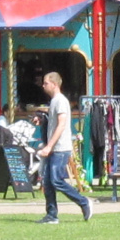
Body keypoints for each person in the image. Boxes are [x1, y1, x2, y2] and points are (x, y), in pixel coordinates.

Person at [36, 72, 92, 224]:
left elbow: (61, 125)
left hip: (60, 148)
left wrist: (49, 146)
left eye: (46, 83)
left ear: (54, 84)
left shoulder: (60, 101)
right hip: (54, 148)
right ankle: (51, 215)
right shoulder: (54, 101)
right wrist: (41, 117)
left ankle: (84, 202)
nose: (43, 85)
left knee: (56, 180)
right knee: (47, 182)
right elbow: (52, 119)